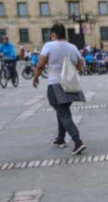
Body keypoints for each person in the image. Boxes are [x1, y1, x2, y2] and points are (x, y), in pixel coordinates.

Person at [33, 23, 87, 155]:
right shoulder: (73, 47)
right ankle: (60, 138)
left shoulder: (49, 45)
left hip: (55, 84)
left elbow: (40, 64)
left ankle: (77, 141)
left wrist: (35, 77)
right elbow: (80, 66)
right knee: (62, 110)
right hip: (69, 85)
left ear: (53, 34)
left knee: (63, 113)